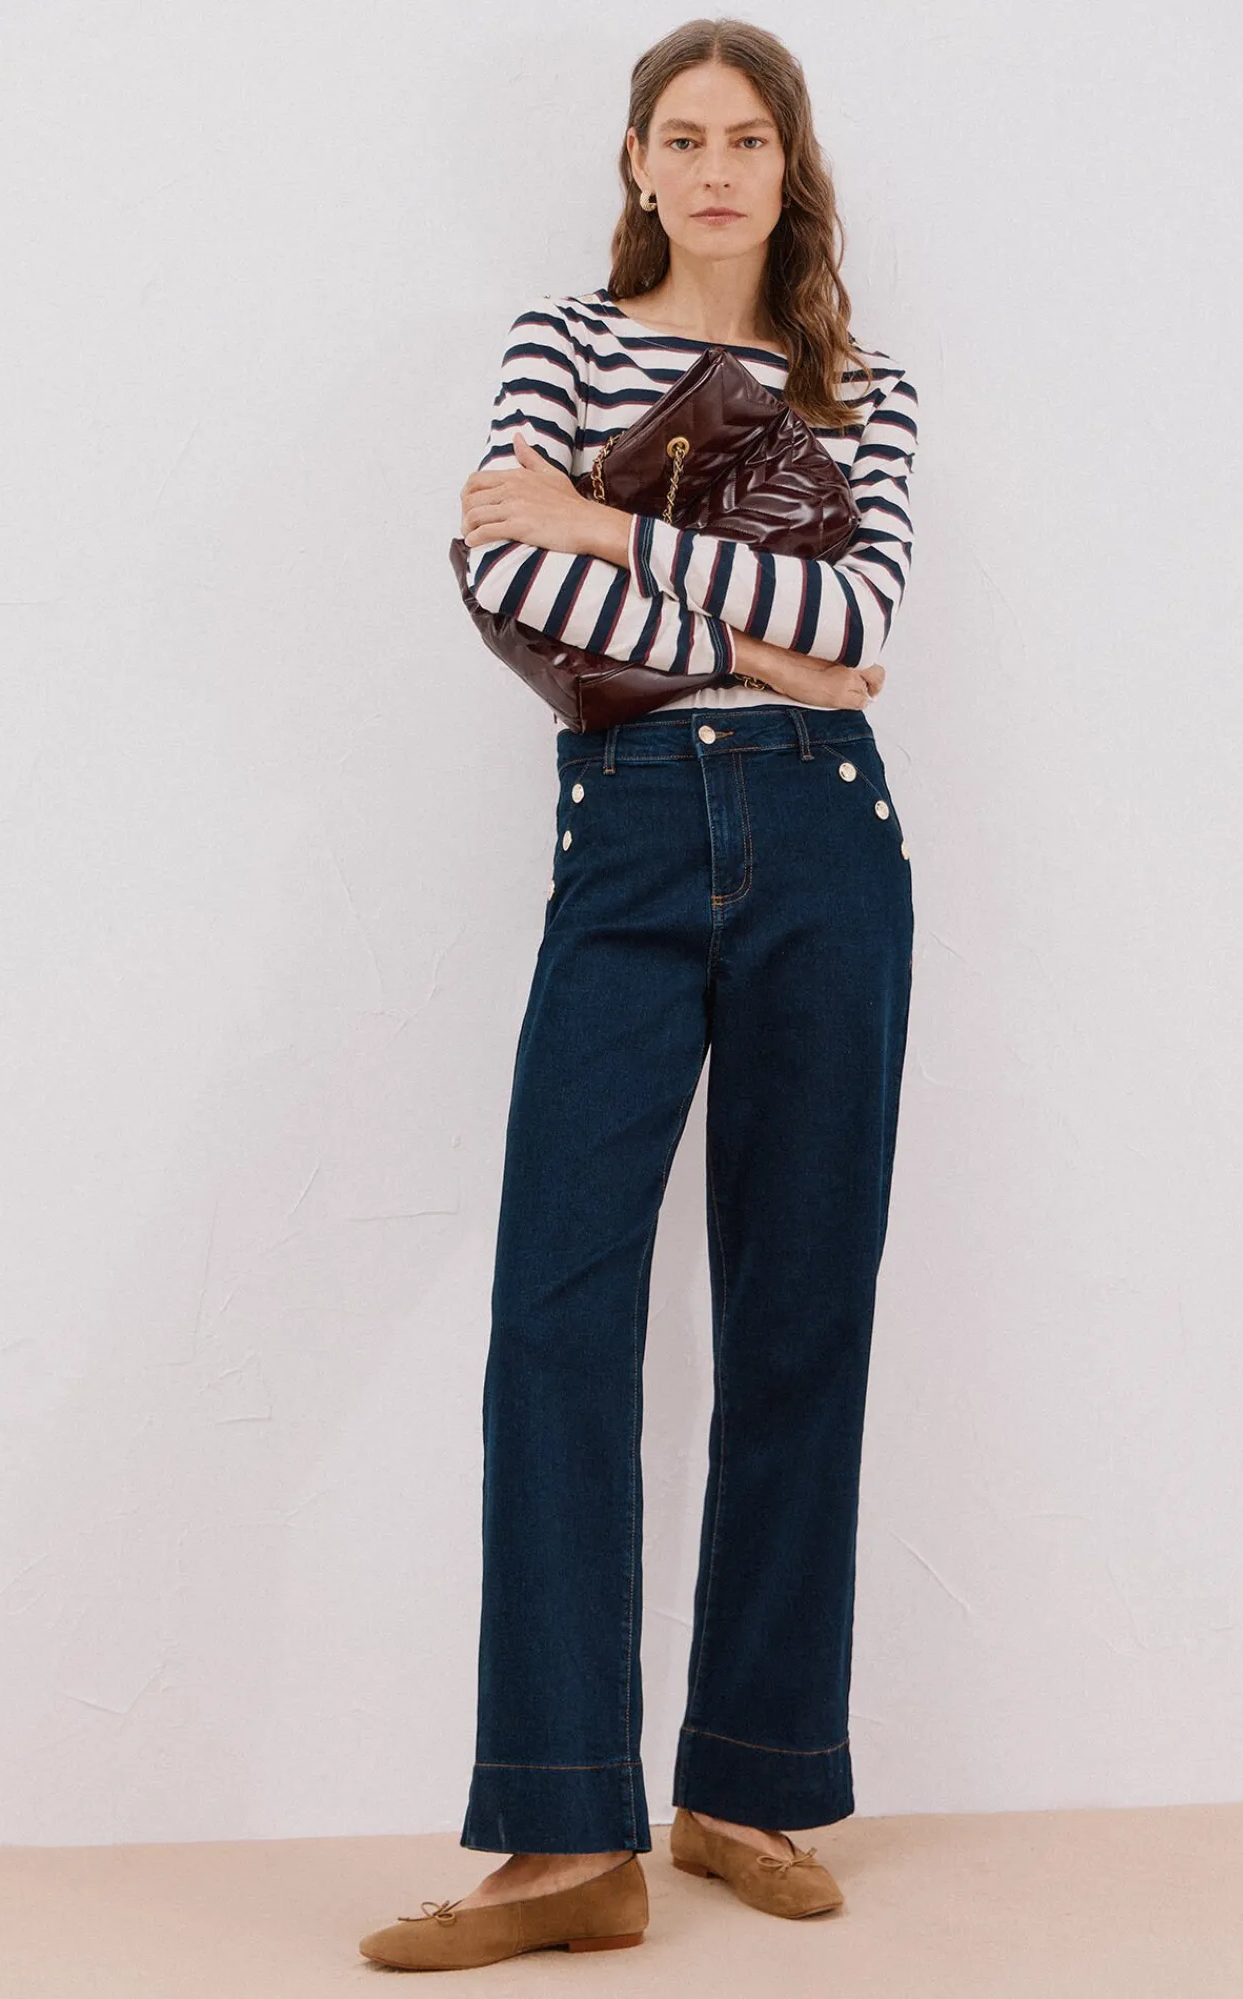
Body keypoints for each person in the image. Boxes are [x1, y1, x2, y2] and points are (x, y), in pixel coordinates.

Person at [360, 17, 918, 1973]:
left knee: (800, 1306)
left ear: (788, 164)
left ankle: (746, 1780)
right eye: (680, 137)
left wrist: (605, 525)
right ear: (635, 163)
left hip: (829, 844)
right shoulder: (563, 344)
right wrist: (762, 631)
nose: (712, 170)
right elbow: (510, 586)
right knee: (558, 1309)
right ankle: (562, 1834)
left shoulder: (863, 389)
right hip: (626, 837)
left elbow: (865, 626)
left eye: (745, 138)